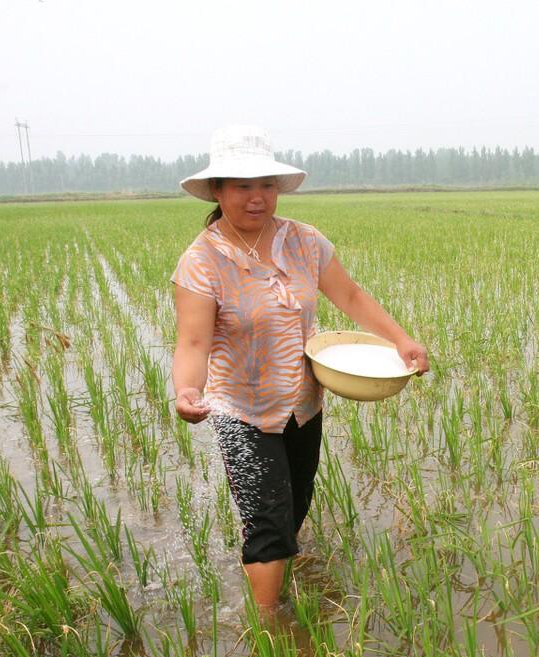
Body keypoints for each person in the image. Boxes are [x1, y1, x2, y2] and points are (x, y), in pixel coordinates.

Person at [171, 125, 429, 610]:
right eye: (243, 186)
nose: (257, 197)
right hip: (240, 409)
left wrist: (401, 340)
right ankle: (271, 631)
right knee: (268, 521)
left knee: (295, 504)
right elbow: (192, 341)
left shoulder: (305, 241)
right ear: (217, 191)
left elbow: (350, 295)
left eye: (266, 185)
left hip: (303, 403)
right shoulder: (201, 261)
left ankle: (274, 574)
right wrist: (187, 389)